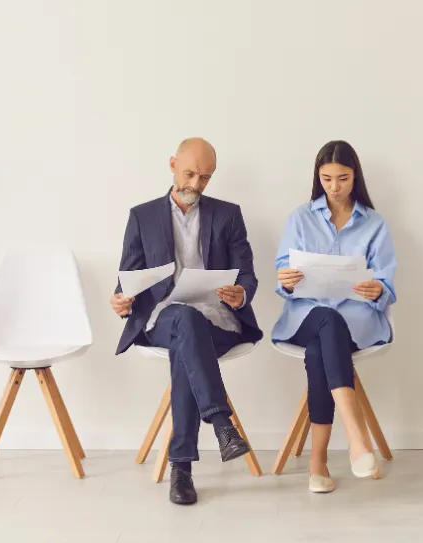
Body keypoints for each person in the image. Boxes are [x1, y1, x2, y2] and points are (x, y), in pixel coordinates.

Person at [111, 137, 263, 505]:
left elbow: (247, 274)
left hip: (217, 320)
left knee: (188, 336)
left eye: (205, 177)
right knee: (182, 318)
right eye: (190, 173)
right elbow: (127, 278)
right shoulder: (142, 216)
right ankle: (221, 424)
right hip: (163, 318)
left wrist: (240, 293)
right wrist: (121, 300)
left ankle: (182, 466)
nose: (196, 184)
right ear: (172, 165)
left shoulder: (227, 215)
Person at [272, 140, 397, 493]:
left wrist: (378, 290)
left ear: (355, 176)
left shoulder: (375, 224)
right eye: (326, 179)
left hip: (357, 322)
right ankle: (356, 436)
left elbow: (386, 283)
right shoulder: (300, 217)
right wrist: (287, 281)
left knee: (320, 351)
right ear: (318, 177)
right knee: (326, 318)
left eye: (342, 178)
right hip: (304, 317)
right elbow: (284, 277)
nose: (335, 187)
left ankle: (318, 462)